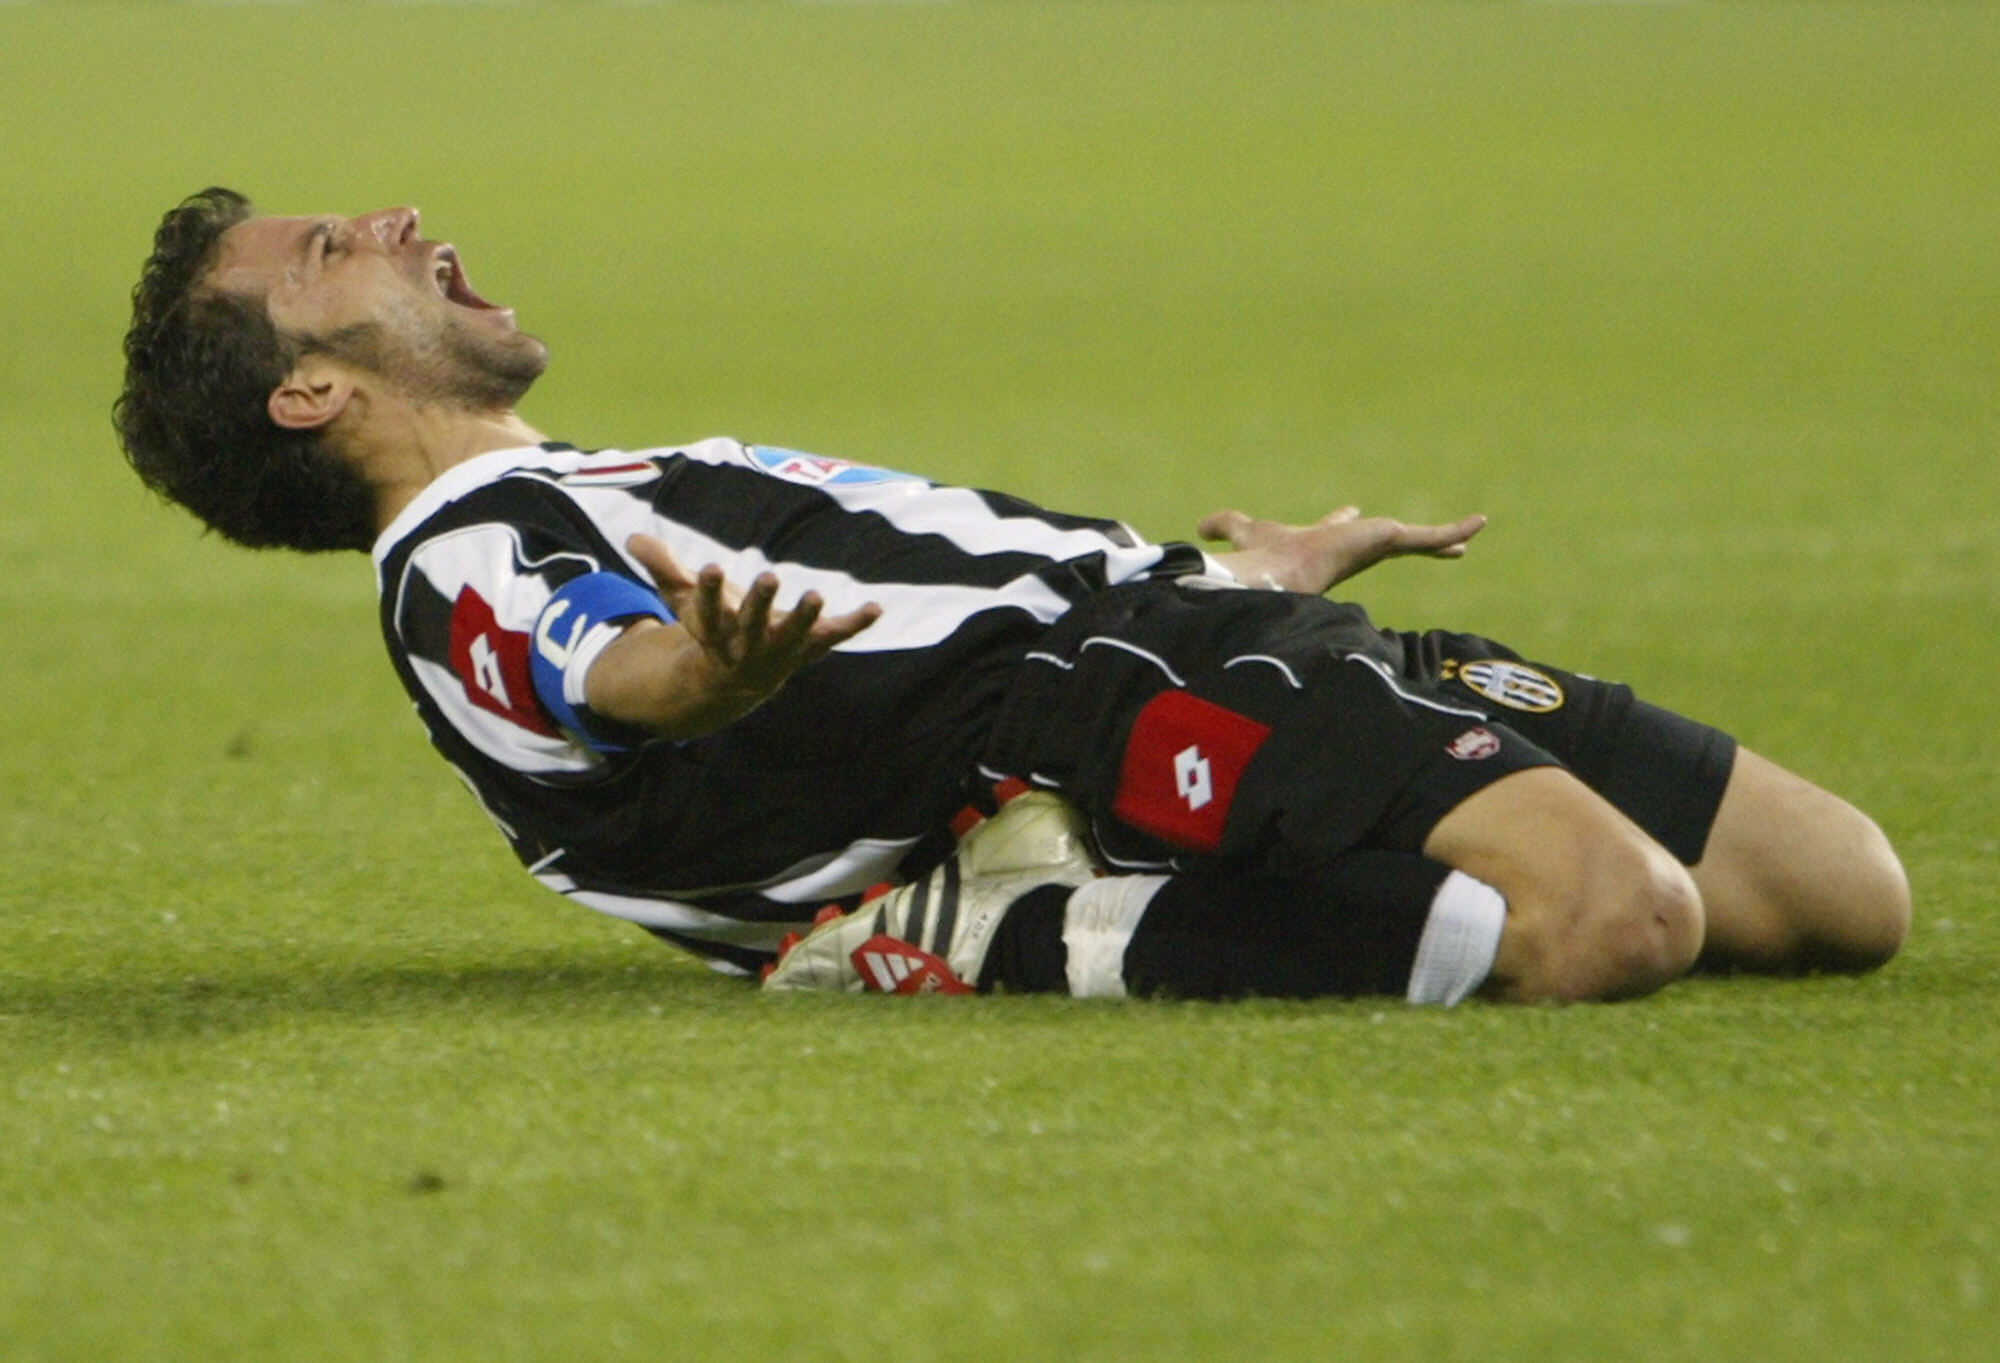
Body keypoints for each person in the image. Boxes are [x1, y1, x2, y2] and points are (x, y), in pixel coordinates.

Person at [114, 188, 1910, 1006]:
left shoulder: (602, 479)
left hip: (1204, 633)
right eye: (330, 250)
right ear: (310, 393)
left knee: (1846, 900)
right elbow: (602, 664)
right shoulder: (461, 554)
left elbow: (929, 583)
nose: (397, 215)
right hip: (1098, 700)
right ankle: (994, 935)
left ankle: (1067, 890)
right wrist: (693, 678)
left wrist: (1233, 572)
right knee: (1615, 924)